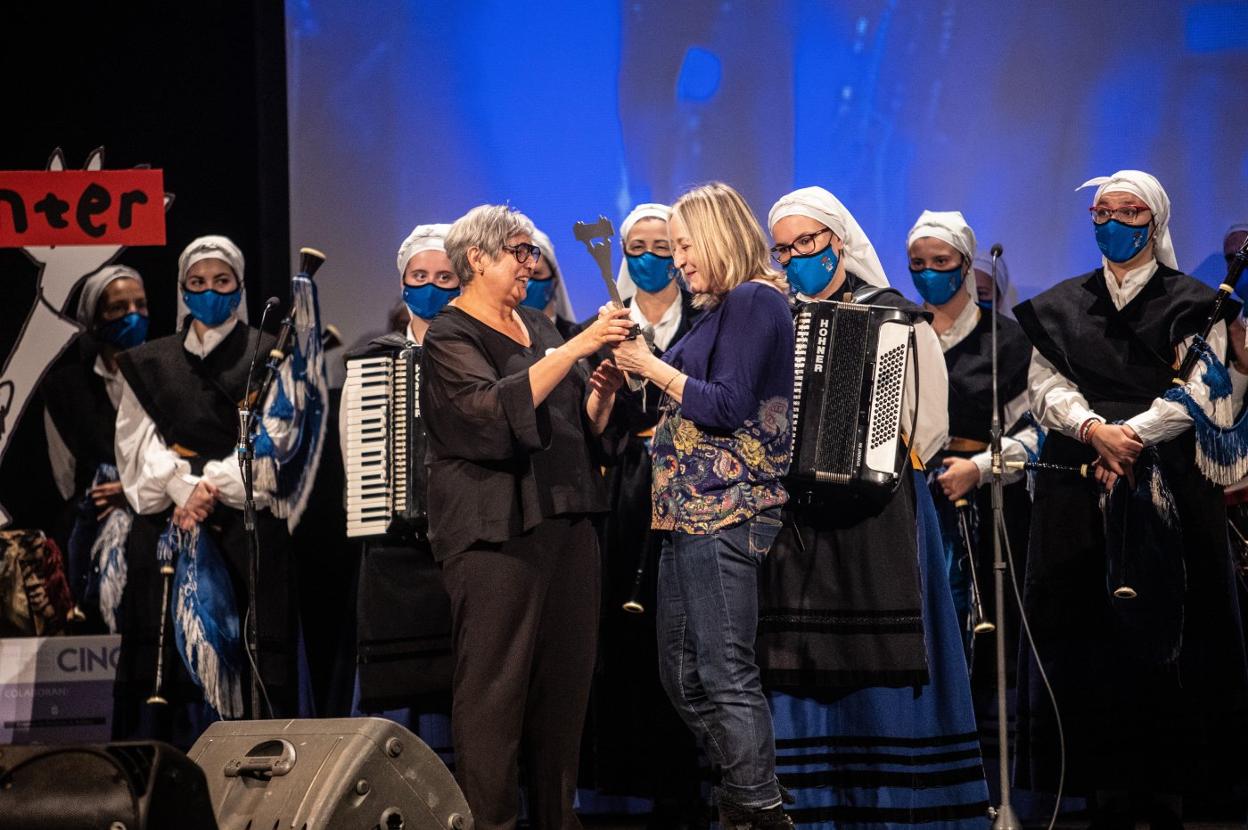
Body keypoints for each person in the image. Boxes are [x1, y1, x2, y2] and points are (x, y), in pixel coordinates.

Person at [1013, 170, 1248, 827]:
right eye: (1101, 211)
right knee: (1085, 642)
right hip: (1079, 490)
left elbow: (1202, 394)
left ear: (1155, 221)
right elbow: (1043, 386)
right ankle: (1094, 792)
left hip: (1168, 486)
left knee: (1169, 642)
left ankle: (1171, 794)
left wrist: (1130, 438)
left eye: (1128, 211)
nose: (1113, 222)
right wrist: (1092, 430)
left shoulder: (1194, 302)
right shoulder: (1061, 304)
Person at [758, 187, 989, 827]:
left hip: (882, 517)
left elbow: (930, 424)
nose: (797, 256)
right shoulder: (775, 319)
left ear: (838, 241)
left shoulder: (894, 318)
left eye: (807, 242)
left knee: (885, 655)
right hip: (798, 524)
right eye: (785, 248)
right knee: (800, 659)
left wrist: (880, 441)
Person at [419, 204, 632, 830]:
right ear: (477, 259)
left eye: (532, 252)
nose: (530, 263)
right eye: (519, 251)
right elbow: (485, 416)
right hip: (495, 536)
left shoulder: (538, 325)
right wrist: (576, 349)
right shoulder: (449, 335)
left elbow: (577, 432)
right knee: (495, 698)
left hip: (566, 524)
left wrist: (602, 393)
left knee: (563, 699)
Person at [611, 181, 795, 830]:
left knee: (723, 671)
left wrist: (652, 366)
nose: (678, 259)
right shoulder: (717, 311)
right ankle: (751, 793)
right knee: (682, 675)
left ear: (718, 238)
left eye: (686, 245)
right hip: (687, 516)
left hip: (729, 511)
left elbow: (726, 404)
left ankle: (756, 810)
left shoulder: (752, 300)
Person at [111, 235, 317, 746]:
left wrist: (211, 486)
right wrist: (183, 490)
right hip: (166, 528)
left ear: (239, 286)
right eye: (198, 284)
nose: (209, 292)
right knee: (163, 677)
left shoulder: (268, 352)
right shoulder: (149, 362)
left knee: (254, 662)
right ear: (182, 289)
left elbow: (280, 440)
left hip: (243, 529)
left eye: (221, 282)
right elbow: (136, 447)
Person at [579, 202, 705, 824]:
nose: (652, 258)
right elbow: (589, 428)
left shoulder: (707, 321)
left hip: (695, 487)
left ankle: (688, 783)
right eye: (640, 247)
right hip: (626, 493)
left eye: (665, 246)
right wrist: (604, 392)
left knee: (685, 630)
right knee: (623, 634)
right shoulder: (600, 325)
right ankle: (625, 785)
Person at [907, 211, 1037, 680]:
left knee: (982, 632)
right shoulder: (897, 332)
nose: (927, 272)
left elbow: (1035, 431)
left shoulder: (1010, 342)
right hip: (910, 501)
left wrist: (980, 467)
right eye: (917, 263)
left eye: (940, 260)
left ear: (964, 264)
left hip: (987, 510)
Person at [346, 223, 457, 723]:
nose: (431, 286)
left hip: (462, 546)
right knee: (396, 699)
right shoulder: (375, 361)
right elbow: (356, 458)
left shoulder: (491, 355)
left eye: (444, 276)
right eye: (419, 275)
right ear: (403, 284)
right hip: (395, 552)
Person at [42, 265, 149, 630]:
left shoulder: (166, 376)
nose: (132, 316)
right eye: (118, 308)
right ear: (96, 317)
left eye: (140, 305)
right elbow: (64, 474)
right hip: (88, 530)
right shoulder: (66, 387)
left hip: (154, 523)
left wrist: (134, 491)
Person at [522, 226, 580, 340]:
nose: (525, 283)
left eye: (535, 273)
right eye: (520, 275)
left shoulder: (578, 338)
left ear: (554, 281)